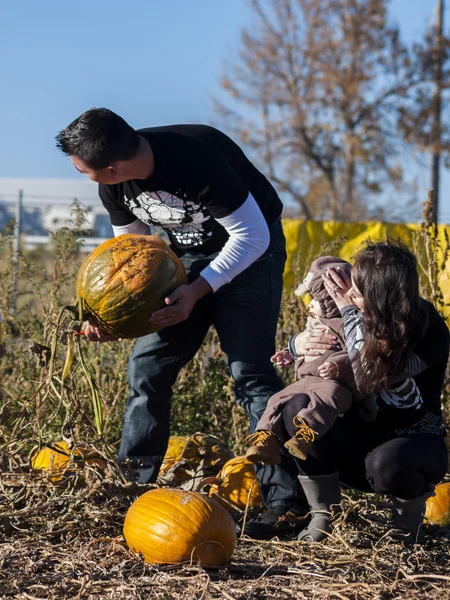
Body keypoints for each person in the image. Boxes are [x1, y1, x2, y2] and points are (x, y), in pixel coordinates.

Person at [55, 107, 307, 538]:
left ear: (112, 166)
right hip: (181, 262)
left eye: (84, 171)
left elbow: (254, 236)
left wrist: (197, 291)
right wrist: (114, 318)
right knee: (147, 366)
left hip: (250, 256)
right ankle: (134, 485)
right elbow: (134, 256)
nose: (84, 177)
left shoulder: (197, 157)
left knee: (250, 374)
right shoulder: (114, 185)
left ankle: (286, 502)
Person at [279, 239, 449, 544]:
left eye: (358, 290)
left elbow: (369, 373)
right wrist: (298, 343)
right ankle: (323, 513)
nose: (349, 294)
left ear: (382, 296)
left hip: (410, 444)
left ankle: (405, 527)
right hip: (355, 444)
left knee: (387, 465)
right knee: (297, 407)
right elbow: (318, 346)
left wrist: (347, 311)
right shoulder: (356, 312)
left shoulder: (427, 328)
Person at [245, 256, 376, 465]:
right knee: (275, 400)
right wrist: (291, 351)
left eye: (315, 299)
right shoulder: (314, 323)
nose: (310, 304)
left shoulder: (347, 324)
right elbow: (307, 347)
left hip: (332, 383)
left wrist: (336, 365)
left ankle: (305, 436)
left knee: (330, 398)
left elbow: (356, 351)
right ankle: (266, 439)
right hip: (305, 381)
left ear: (330, 299)